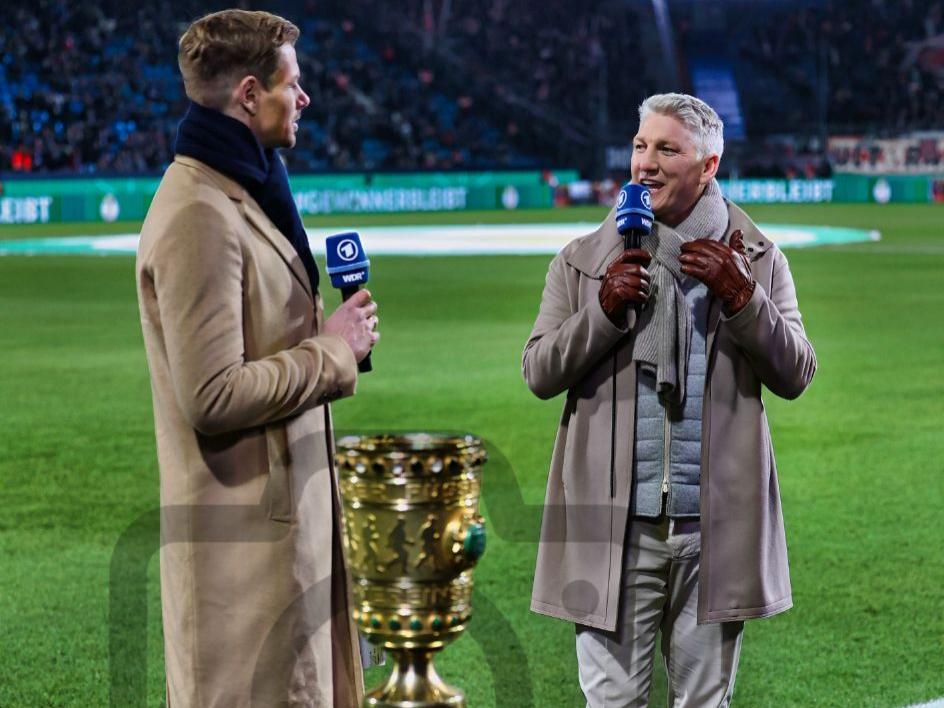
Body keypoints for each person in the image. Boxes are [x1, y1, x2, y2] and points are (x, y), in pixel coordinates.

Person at [522, 93, 816, 706]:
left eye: (666, 149)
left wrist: (741, 297)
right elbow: (539, 371)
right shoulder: (583, 263)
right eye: (639, 145)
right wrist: (602, 314)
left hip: (715, 533)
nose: (645, 163)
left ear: (708, 167)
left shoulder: (756, 260)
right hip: (611, 532)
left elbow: (796, 373)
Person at [135, 10, 378, 707]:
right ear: (248, 93)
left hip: (277, 532)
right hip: (240, 558)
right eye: (291, 84)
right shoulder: (198, 215)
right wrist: (332, 349)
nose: (304, 98)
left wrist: (336, 339)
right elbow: (210, 395)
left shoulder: (243, 188)